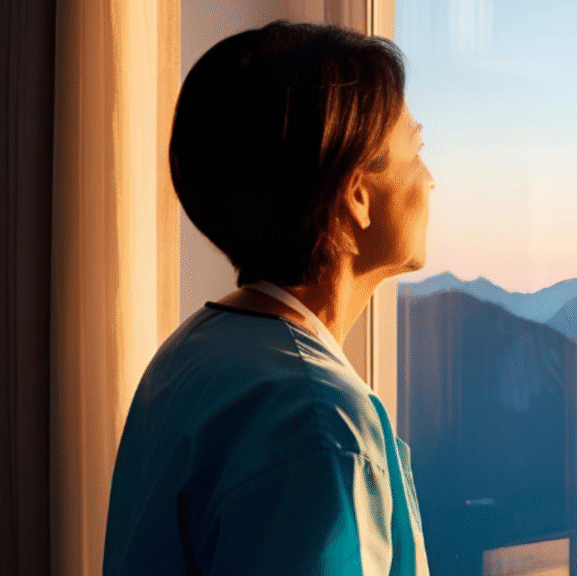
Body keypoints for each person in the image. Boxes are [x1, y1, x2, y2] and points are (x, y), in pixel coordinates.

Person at [103, 20, 433, 575]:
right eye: (416, 150)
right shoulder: (318, 425)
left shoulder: (194, 356)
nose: (429, 179)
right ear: (356, 195)